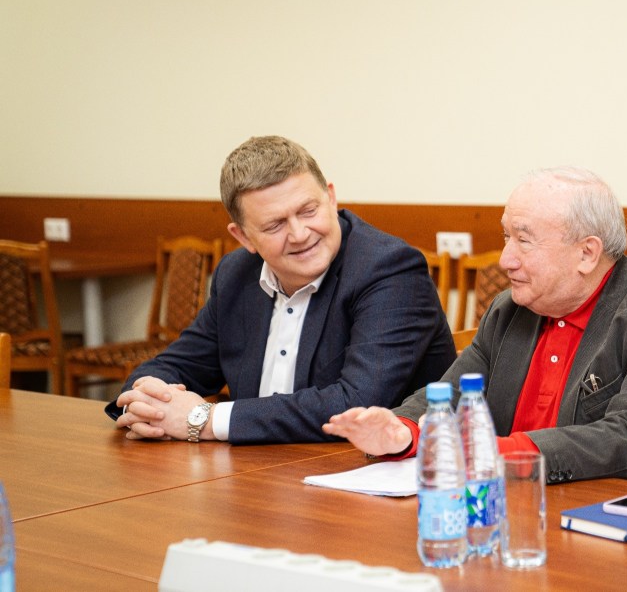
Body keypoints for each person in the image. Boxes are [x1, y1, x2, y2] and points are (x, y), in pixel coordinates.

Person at [323, 167, 627, 483]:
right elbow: (451, 394)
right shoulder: (510, 308)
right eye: (506, 237)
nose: (505, 259)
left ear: (587, 253)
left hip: (598, 522)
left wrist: (494, 453)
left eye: (523, 241)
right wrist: (404, 432)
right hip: (497, 506)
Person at [110, 136, 455, 444]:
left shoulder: (389, 269)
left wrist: (205, 419)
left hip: (363, 474)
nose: (300, 234)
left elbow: (357, 404)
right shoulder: (236, 274)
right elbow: (176, 365)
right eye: (275, 225)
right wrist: (145, 403)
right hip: (253, 474)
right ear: (243, 236)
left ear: (331, 197)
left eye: (308, 211)